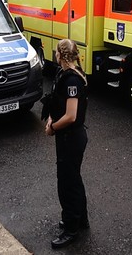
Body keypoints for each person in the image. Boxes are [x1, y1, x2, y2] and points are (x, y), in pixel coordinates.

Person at [45, 39, 89, 249]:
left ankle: (71, 229)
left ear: (60, 55)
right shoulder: (65, 74)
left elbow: (71, 116)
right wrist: (51, 118)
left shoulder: (72, 80)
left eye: (56, 52)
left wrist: (53, 128)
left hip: (71, 137)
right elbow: (59, 105)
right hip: (68, 137)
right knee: (73, 179)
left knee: (67, 183)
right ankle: (80, 220)